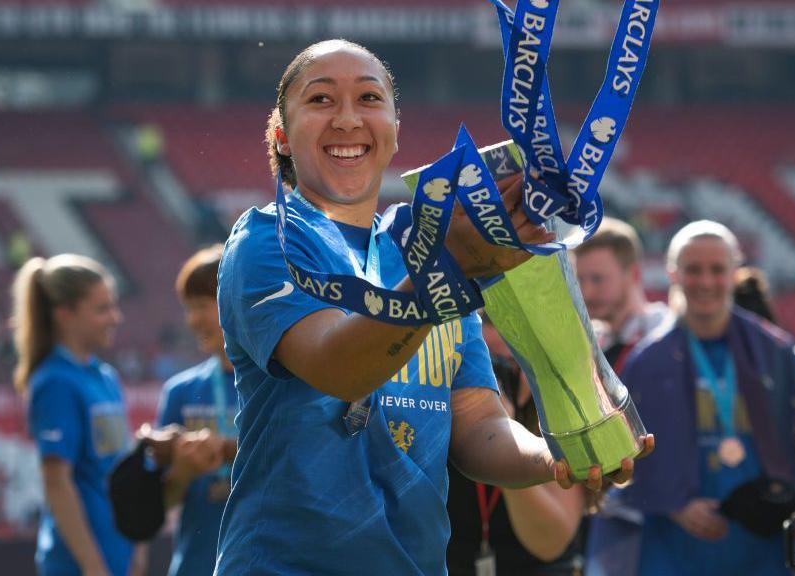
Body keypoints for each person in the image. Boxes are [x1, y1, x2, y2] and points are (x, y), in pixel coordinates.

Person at [215, 39, 652, 574]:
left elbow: (476, 424)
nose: (348, 119)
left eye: (370, 98)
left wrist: (554, 457)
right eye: (321, 100)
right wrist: (447, 270)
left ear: (395, 130)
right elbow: (340, 368)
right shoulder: (269, 241)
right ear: (281, 134)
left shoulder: (423, 247)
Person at [587, 220, 795, 576]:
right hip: (674, 546)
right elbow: (625, 459)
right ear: (673, 274)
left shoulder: (774, 351)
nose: (705, 282)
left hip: (760, 544)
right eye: (693, 270)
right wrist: (673, 504)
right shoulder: (647, 361)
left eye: (717, 270)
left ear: (735, 272)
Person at [11, 254, 143, 576]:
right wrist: (92, 566)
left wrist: (136, 547)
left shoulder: (105, 376)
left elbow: (119, 472)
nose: (115, 317)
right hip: (78, 565)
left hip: (117, 555)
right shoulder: (55, 381)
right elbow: (57, 481)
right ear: (64, 314)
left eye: (113, 306)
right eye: (102, 309)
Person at [446, 319, 587, 576]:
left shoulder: (562, 408)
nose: (503, 340)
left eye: (510, 366)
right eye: (488, 321)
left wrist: (502, 437)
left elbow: (551, 543)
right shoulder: (435, 406)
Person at [154, 245, 238, 576]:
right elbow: (160, 504)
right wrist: (183, 472)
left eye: (202, 306)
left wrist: (228, 449)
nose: (192, 320)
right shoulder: (180, 392)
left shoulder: (276, 385)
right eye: (188, 309)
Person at [573, 217, 671, 372]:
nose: (587, 292)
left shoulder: (666, 333)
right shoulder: (586, 344)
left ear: (634, 274)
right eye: (580, 279)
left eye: (598, 279)